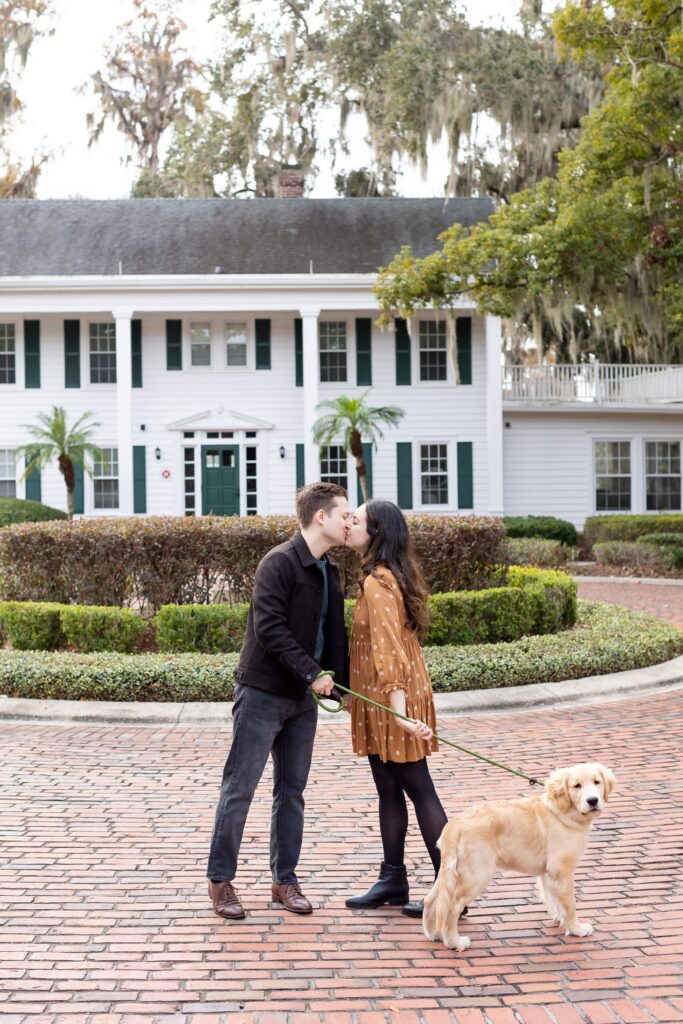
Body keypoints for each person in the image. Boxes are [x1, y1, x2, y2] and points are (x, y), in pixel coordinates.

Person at [207, 481, 349, 920]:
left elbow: (333, 635)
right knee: (240, 788)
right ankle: (220, 882)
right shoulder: (279, 563)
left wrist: (337, 685)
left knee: (292, 793)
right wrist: (312, 674)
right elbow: (269, 629)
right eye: (344, 514)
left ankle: (284, 881)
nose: (349, 522)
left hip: (302, 702)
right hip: (262, 693)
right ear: (320, 516)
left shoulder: (331, 570)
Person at [343, 499, 461, 920]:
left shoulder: (379, 582)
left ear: (375, 533)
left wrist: (398, 712)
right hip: (381, 700)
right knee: (389, 790)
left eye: (354, 520)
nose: (347, 525)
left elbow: (389, 651)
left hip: (392, 700)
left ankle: (450, 890)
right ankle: (393, 877)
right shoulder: (387, 576)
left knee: (420, 789)